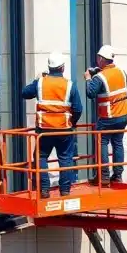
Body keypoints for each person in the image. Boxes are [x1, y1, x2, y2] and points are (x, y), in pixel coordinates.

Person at [22, 52, 83, 198]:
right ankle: (65, 190)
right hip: (63, 130)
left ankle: (44, 189)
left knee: (41, 157)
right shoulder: (69, 85)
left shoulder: (40, 83)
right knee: (65, 159)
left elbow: (25, 93)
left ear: (49, 67)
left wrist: (37, 79)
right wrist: (72, 123)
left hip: (44, 130)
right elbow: (78, 108)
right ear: (62, 67)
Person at [84, 45, 127, 186]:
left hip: (109, 116)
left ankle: (103, 175)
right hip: (123, 115)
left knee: (102, 142)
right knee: (118, 143)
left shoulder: (99, 77)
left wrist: (87, 78)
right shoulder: (122, 72)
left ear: (101, 59)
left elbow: (90, 93)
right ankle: (117, 175)